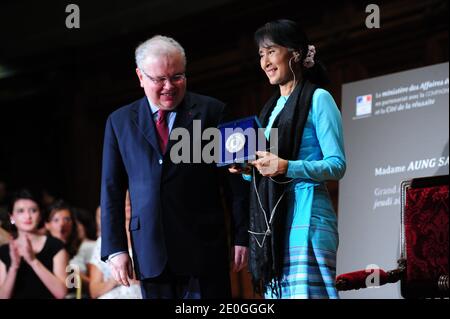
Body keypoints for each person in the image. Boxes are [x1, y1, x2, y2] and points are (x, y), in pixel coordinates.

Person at [100, 35, 249, 299]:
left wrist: (242, 236)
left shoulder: (214, 111)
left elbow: (236, 184)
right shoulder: (119, 122)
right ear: (140, 77)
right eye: (159, 79)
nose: (169, 86)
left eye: (177, 77)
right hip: (151, 252)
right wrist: (116, 249)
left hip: (204, 249)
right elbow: (111, 190)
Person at [230, 19, 346, 299]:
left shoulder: (319, 99)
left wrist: (286, 166)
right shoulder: (269, 110)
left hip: (308, 217)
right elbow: (266, 166)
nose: (265, 61)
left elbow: (337, 165)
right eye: (261, 54)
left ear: (295, 54)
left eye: (271, 51)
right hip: (273, 224)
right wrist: (249, 168)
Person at [0, 189, 68, 299]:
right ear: (12, 217)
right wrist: (13, 267)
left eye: (33, 210)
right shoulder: (4, 251)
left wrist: (33, 261)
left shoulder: (55, 246)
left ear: (40, 215)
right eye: (20, 211)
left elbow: (61, 293)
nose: (27, 216)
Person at [89, 192, 142, 299]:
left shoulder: (149, 239)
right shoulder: (103, 241)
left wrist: (137, 279)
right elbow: (94, 291)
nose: (128, 202)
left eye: (131, 198)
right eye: (124, 199)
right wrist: (118, 279)